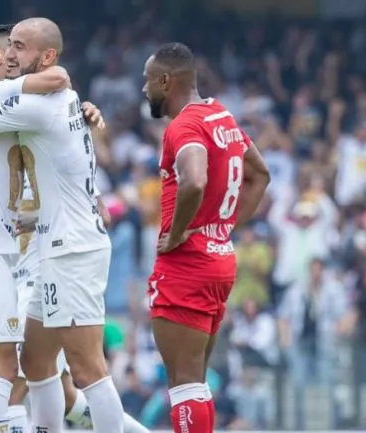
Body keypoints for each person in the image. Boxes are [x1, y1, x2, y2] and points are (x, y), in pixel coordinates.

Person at [0, 18, 121, 433]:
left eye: (20, 46)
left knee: (87, 367)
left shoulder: (34, 104)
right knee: (34, 361)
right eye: (9, 45)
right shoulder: (64, 98)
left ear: (48, 56)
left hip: (72, 248)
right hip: (54, 245)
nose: (12, 54)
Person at [0, 141, 149, 433]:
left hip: (44, 275)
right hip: (16, 278)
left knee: (33, 378)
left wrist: (38, 220)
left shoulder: (59, 153)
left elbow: (99, 214)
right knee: (56, 386)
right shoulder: (17, 155)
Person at [141, 42, 271, 433]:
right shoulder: (221, 116)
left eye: (148, 81)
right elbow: (260, 175)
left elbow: (194, 180)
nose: (145, 90)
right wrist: (225, 228)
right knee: (195, 380)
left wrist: (178, 232)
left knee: (181, 382)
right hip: (218, 256)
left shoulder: (184, 125)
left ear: (166, 80)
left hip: (187, 263)